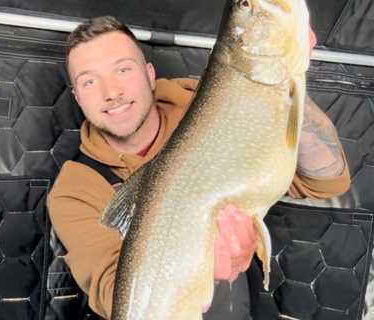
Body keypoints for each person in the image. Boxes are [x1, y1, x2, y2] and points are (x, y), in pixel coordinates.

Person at [47, 16, 351, 320]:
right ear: (77, 97)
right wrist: (201, 269)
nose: (110, 91)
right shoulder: (73, 191)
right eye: (89, 81)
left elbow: (326, 181)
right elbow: (113, 296)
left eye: (123, 69)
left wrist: (286, 80)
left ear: (149, 74)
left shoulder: (213, 105)